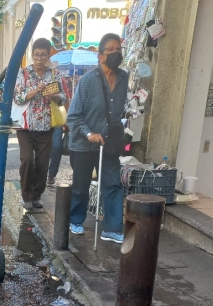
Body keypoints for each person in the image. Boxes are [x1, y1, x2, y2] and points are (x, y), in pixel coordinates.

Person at [66, 33, 129, 244]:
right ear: (100, 56)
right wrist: (88, 133)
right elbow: (73, 115)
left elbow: (118, 111)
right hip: (83, 144)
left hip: (108, 143)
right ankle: (75, 219)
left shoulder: (123, 78)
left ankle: (112, 228)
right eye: (110, 50)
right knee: (81, 186)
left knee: (112, 184)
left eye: (118, 49)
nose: (115, 53)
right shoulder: (87, 81)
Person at [13, 38, 66, 209]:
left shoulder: (55, 74)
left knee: (42, 163)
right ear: (32, 55)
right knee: (27, 160)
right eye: (36, 55)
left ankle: (37, 195)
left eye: (43, 55)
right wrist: (36, 90)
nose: (40, 59)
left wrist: (54, 96)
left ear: (48, 56)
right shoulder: (24, 73)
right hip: (26, 126)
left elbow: (64, 97)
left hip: (46, 126)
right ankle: (26, 195)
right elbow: (18, 97)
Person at [47, 77, 73, 186]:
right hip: (39, 120)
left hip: (56, 119)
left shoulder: (57, 79)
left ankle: (52, 174)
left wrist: (67, 119)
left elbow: (65, 99)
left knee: (57, 146)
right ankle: (39, 173)